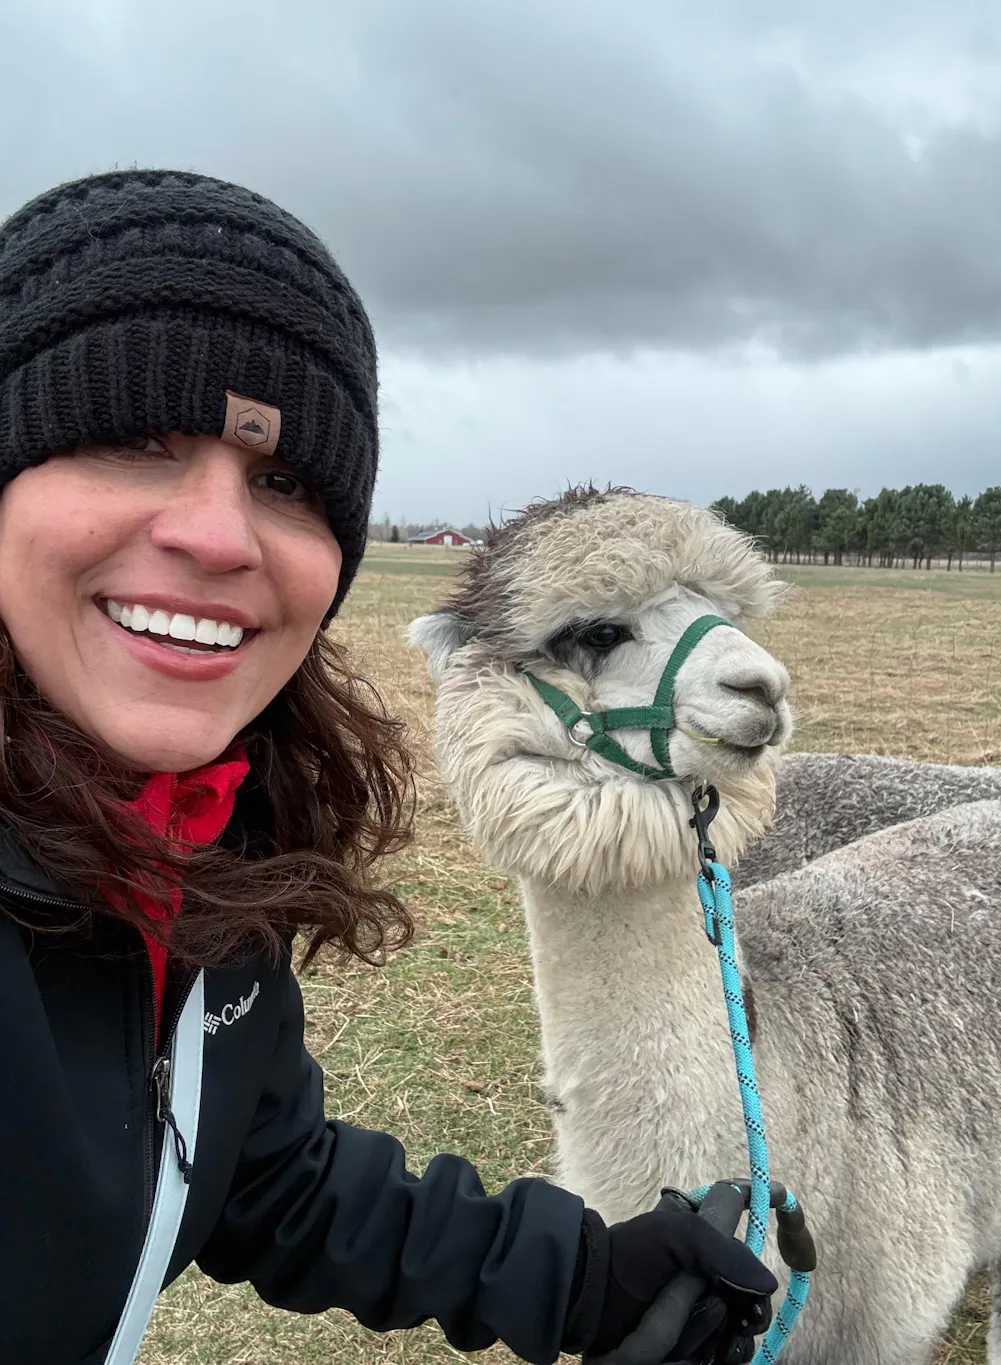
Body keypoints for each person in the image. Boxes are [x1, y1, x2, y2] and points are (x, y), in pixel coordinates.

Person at [0, 170, 777, 1365]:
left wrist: (579, 1279)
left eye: (284, 481)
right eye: (131, 441)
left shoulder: (204, 839)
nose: (217, 535)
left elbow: (259, 1175)